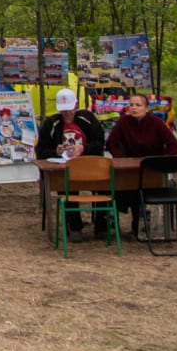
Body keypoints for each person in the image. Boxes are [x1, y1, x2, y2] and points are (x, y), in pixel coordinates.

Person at [106, 93, 177, 236]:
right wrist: (121, 159)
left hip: (153, 167)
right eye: (132, 105)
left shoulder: (157, 123)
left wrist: (162, 161)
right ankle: (129, 223)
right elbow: (111, 143)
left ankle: (142, 223)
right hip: (131, 167)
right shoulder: (123, 122)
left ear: (147, 108)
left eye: (138, 105)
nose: (134, 108)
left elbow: (174, 145)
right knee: (128, 186)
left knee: (141, 187)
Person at [37, 89, 106, 241]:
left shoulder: (87, 119)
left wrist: (83, 148)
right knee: (66, 186)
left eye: (70, 110)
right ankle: (75, 227)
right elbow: (41, 151)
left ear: (76, 105)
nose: (67, 114)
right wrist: (55, 151)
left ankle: (102, 226)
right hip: (65, 168)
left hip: (90, 166)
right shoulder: (51, 124)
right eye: (63, 111)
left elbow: (100, 143)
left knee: (105, 184)